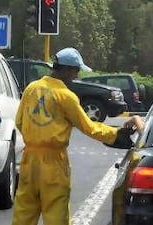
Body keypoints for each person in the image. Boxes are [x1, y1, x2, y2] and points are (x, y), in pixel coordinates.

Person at [12, 47, 144, 225]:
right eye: (75, 70)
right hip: (54, 164)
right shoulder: (66, 96)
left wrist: (36, 137)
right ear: (66, 69)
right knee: (55, 214)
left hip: (29, 160)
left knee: (23, 213)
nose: (76, 75)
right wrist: (117, 134)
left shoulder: (31, 89)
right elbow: (89, 127)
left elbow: (19, 121)